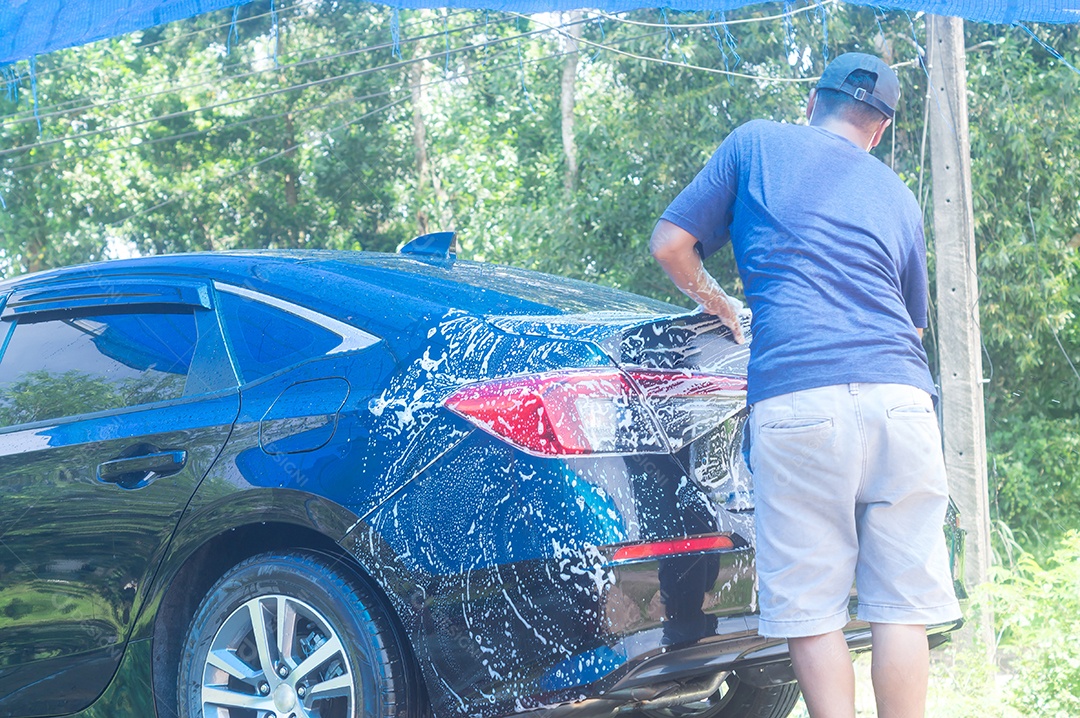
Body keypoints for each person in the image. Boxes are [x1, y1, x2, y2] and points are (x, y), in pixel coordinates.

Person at [650, 53, 962, 718]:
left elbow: (672, 244)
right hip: (902, 402)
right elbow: (911, 321)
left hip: (799, 395)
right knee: (901, 606)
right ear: (879, 129)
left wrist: (722, 304)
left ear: (811, 101)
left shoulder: (757, 142)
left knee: (814, 608)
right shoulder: (898, 196)